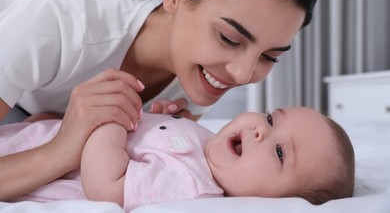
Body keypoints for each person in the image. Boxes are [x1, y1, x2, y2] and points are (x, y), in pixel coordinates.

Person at [0, 0, 318, 201]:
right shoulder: (59, 16)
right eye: (229, 39)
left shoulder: (198, 74)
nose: (242, 73)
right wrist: (60, 150)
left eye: (269, 56)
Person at [1, 108, 355, 210]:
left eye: (279, 151)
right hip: (32, 134)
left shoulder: (194, 186)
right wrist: (159, 118)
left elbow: (107, 186)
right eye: (271, 118)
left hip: (20, 166)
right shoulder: (207, 145)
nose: (260, 130)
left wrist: (113, 121)